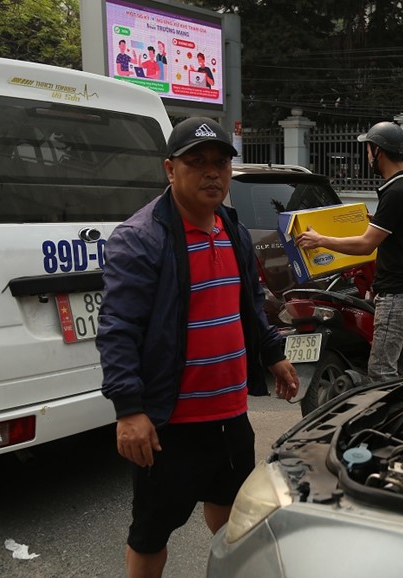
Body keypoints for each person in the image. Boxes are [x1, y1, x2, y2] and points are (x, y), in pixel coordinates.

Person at [96, 116, 299, 578]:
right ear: (170, 169)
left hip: (229, 414)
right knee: (151, 531)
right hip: (171, 424)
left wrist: (273, 353)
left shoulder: (231, 228)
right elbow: (118, 328)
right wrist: (129, 411)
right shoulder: (142, 238)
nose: (212, 173)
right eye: (197, 162)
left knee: (232, 512)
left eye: (221, 163)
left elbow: (248, 303)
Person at [296, 121, 403, 381]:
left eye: (368, 150)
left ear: (378, 151)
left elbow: (365, 245)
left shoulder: (396, 192)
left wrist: (319, 239)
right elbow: (401, 231)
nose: (367, 157)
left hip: (396, 297)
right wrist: (377, 220)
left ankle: (389, 419)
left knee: (381, 370)